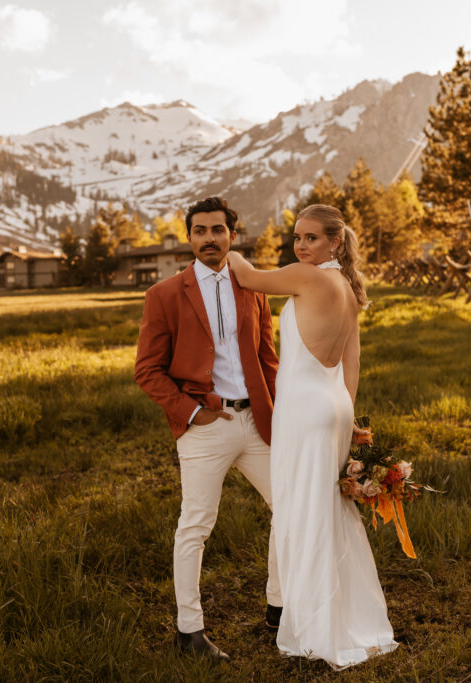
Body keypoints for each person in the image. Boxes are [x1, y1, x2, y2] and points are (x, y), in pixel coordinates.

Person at [227, 203, 398, 670]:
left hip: (305, 410)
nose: (300, 246)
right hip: (334, 406)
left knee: (304, 512)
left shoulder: (308, 277)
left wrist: (229, 236)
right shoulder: (346, 285)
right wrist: (349, 413)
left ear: (335, 242)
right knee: (332, 511)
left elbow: (244, 275)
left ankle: (318, 627)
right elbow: (352, 360)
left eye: (311, 238)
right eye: (297, 238)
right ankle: (343, 614)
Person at [134, 196, 282, 662]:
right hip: (204, 425)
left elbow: (267, 360)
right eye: (200, 231)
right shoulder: (163, 295)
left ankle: (279, 609)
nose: (209, 239)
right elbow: (147, 370)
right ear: (189, 237)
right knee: (195, 526)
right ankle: (189, 632)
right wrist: (193, 413)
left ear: (231, 236)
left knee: (291, 509)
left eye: (218, 230)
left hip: (257, 423)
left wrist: (282, 414)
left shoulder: (253, 288)